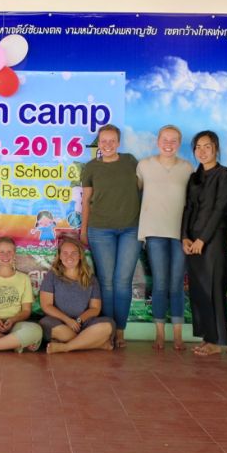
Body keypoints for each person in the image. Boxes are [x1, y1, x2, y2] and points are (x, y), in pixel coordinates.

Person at [80, 124, 141, 348]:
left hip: (131, 229)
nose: (107, 145)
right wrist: (83, 230)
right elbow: (86, 201)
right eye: (103, 141)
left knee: (122, 282)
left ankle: (120, 331)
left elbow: (141, 189)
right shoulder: (90, 168)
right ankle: (107, 331)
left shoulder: (130, 161)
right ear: (98, 142)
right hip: (100, 230)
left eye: (112, 141)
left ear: (118, 142)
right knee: (106, 283)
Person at [137, 125, 194, 351]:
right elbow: (135, 193)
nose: (168, 144)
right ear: (157, 141)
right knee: (160, 284)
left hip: (181, 234)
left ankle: (178, 336)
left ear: (179, 143)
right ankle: (159, 334)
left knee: (176, 284)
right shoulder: (144, 166)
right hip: (154, 232)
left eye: (174, 140)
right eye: (165, 139)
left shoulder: (187, 168)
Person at [182, 131, 227, 356]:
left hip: (213, 241)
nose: (202, 151)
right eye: (198, 147)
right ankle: (206, 337)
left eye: (207, 146)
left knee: (214, 290)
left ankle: (217, 340)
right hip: (192, 241)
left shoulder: (224, 175)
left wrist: (203, 239)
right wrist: (185, 237)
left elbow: (221, 209)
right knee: (199, 290)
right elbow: (188, 208)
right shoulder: (195, 177)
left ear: (216, 149)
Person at [38, 236, 115, 353]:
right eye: (65, 253)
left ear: (80, 256)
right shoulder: (52, 276)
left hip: (84, 323)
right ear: (60, 256)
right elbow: (46, 306)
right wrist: (67, 320)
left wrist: (79, 320)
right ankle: (95, 343)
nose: (69, 257)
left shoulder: (91, 279)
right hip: (60, 322)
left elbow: (95, 308)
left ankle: (66, 347)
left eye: (74, 253)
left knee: (108, 325)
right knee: (45, 324)